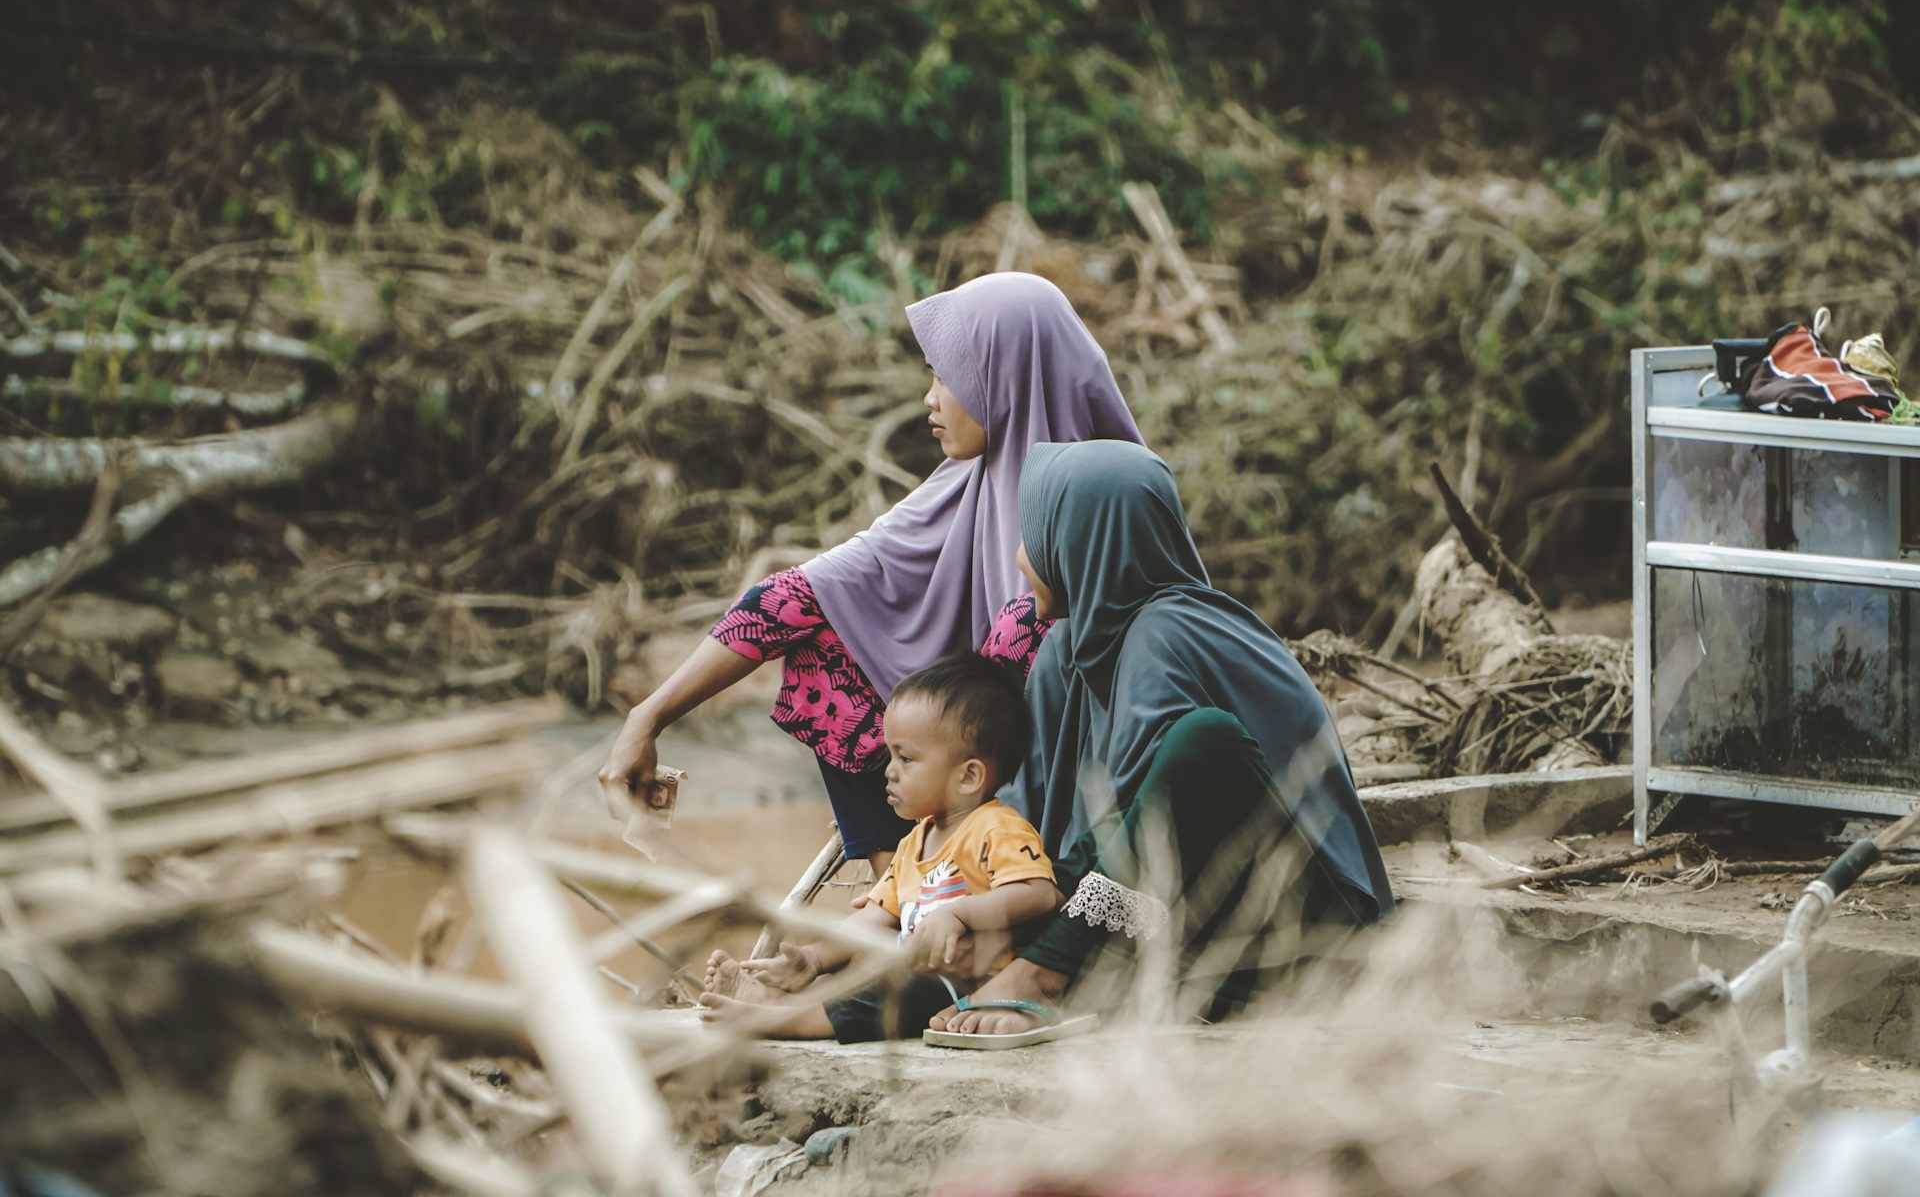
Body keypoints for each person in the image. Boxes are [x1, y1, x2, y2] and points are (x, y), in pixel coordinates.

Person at [596, 273, 1140, 875]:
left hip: (1065, 817)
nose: (930, 399)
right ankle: (894, 888)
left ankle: (965, 901)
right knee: (825, 633)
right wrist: (646, 719)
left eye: (948, 376)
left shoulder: (1112, 501)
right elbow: (792, 599)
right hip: (966, 795)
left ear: (1007, 378)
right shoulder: (962, 489)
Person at [927, 440, 1397, 1046]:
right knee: (1010, 907)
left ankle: (1049, 972)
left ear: (1086, 542)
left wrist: (1047, 951)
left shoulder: (1166, 631)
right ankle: (848, 1003)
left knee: (1205, 741)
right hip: (1177, 927)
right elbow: (1026, 836)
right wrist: (922, 923)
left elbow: (1141, 830)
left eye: (1037, 533)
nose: (1021, 557)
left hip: (1306, 931)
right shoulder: (1069, 651)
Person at [699, 652, 1061, 1042]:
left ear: (969, 776)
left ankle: (791, 1022)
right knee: (860, 961)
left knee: (895, 987)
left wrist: (959, 916)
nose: (889, 770)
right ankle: (776, 997)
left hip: (967, 981)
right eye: (890, 754)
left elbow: (1041, 893)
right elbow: (871, 920)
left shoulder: (997, 828)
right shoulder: (911, 844)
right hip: (909, 970)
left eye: (906, 758)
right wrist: (814, 960)